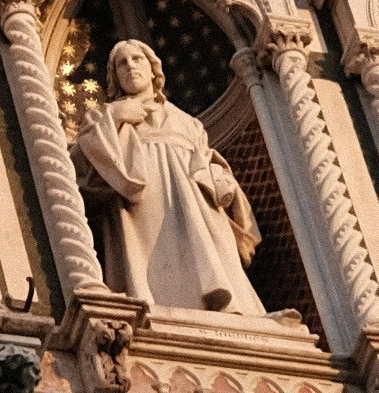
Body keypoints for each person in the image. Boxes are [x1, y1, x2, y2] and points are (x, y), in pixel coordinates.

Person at [68, 36, 278, 316]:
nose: (131, 67)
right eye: (122, 64)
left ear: (154, 68)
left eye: (137, 59)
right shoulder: (104, 116)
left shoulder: (187, 121)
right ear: (115, 76)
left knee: (211, 253)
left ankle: (228, 305)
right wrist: (116, 117)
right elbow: (78, 169)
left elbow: (205, 159)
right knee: (151, 266)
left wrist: (219, 176)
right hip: (141, 205)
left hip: (194, 204)